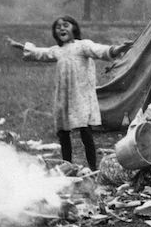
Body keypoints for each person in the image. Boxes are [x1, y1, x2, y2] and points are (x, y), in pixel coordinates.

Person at [7, 15, 132, 170]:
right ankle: (68, 166)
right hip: (63, 98)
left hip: (81, 96)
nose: (61, 28)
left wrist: (117, 49)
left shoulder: (83, 46)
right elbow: (40, 53)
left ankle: (93, 168)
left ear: (74, 28)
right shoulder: (58, 50)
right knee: (63, 133)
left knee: (85, 132)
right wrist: (20, 46)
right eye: (58, 27)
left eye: (65, 25)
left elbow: (100, 50)